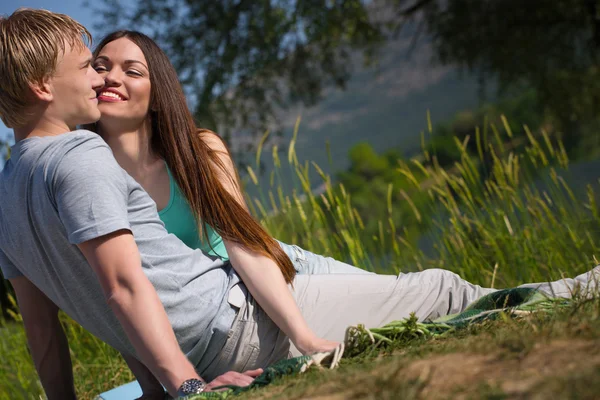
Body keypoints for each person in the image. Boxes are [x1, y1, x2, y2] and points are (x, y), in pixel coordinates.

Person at [1, 9, 599, 400]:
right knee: (441, 290)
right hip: (232, 320)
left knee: (392, 298)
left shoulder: (11, 188)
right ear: (43, 86)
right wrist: (182, 385)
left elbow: (47, 318)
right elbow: (125, 288)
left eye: (127, 69)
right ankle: (583, 290)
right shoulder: (82, 158)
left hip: (269, 273)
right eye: (90, 65)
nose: (102, 77)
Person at [86, 30, 370, 278]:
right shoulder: (85, 181)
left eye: (132, 71)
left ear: (158, 96)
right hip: (211, 315)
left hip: (276, 275)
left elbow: (245, 242)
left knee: (405, 296)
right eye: (99, 67)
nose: (110, 77)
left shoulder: (200, 150)